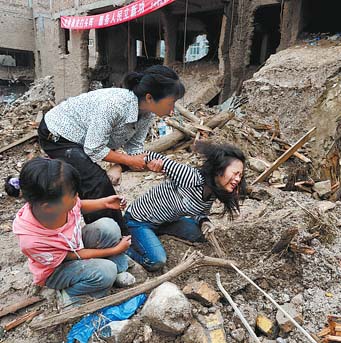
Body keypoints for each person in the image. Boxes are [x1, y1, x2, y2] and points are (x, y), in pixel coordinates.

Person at [38, 65, 185, 235]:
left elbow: (134, 148)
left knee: (92, 178)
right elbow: (94, 149)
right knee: (95, 182)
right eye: (170, 103)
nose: (172, 110)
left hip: (85, 138)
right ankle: (108, 237)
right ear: (150, 97)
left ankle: (118, 234)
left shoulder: (147, 114)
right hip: (57, 134)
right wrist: (128, 161)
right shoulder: (114, 105)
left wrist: (147, 162)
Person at [12, 157, 135, 307]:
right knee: (106, 271)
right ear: (48, 207)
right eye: (73, 196)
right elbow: (70, 256)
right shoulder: (31, 240)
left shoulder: (58, 204)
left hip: (76, 246)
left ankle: (119, 271)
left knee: (108, 226)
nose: (77, 197)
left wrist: (105, 203)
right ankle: (73, 295)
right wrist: (114, 249)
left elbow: (79, 205)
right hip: (57, 269)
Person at [125, 142, 246, 271]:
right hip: (139, 220)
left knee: (200, 235)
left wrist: (205, 222)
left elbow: (199, 213)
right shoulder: (190, 177)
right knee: (156, 261)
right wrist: (121, 164)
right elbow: (149, 155)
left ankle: (153, 235)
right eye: (235, 173)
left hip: (166, 222)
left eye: (240, 176)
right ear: (219, 169)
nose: (238, 179)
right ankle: (124, 251)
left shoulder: (212, 193)